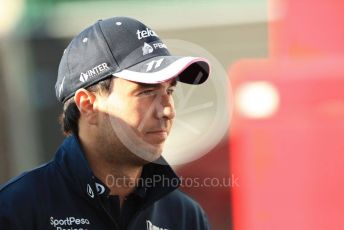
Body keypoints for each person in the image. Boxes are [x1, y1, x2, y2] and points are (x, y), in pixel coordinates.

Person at [0, 16, 211, 230]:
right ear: (88, 105)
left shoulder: (185, 217)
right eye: (146, 92)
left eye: (169, 91)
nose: (167, 110)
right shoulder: (16, 210)